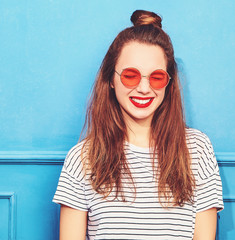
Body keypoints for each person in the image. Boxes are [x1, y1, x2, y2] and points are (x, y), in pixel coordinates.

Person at [53, 10, 224, 240]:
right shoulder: (82, 159)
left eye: (156, 77)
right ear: (111, 80)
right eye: (131, 75)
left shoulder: (198, 149)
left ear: (168, 83)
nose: (144, 88)